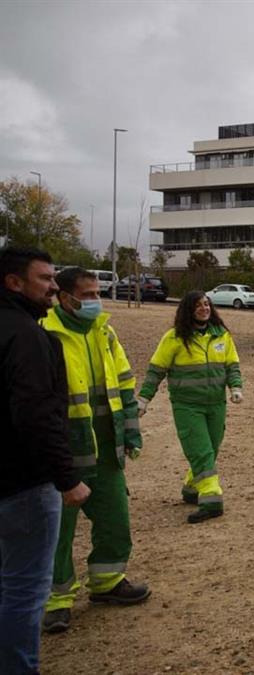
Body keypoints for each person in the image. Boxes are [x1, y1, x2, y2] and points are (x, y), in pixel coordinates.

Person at [40, 267, 150, 634]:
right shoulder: (45, 334)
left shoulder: (104, 332)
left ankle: (107, 582)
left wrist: (130, 433)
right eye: (87, 295)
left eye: (97, 293)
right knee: (57, 532)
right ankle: (57, 600)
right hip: (64, 449)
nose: (95, 301)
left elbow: (124, 383)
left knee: (115, 519)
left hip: (105, 447)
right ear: (65, 298)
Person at [0, 247, 90, 674]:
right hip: (24, 483)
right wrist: (65, 477)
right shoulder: (29, 337)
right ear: (14, 282)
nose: (54, 286)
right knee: (23, 589)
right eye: (45, 278)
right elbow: (37, 414)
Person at [138, 292, 243, 524]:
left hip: (216, 404)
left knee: (212, 447)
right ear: (188, 310)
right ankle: (211, 499)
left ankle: (192, 487)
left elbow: (232, 364)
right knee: (201, 450)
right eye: (198, 306)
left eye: (206, 304)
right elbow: (156, 370)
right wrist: (144, 399)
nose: (204, 308)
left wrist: (236, 386)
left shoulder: (222, 335)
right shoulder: (174, 338)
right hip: (187, 406)